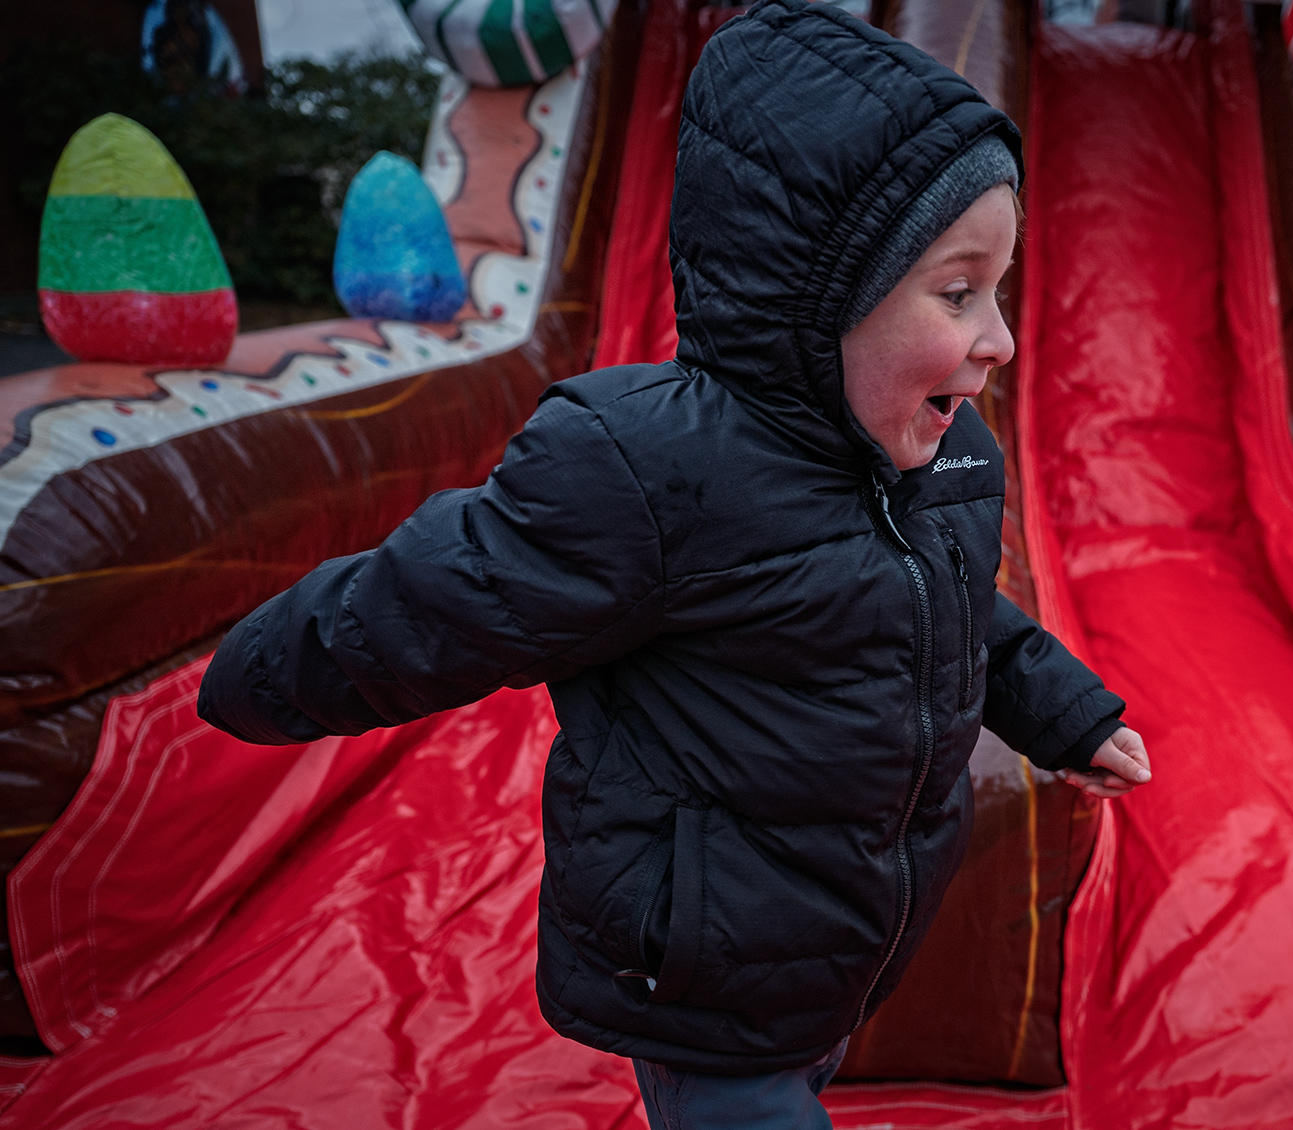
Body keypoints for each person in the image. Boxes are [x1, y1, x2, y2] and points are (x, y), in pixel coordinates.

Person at [196, 2, 1151, 1127]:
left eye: (999, 289)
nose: (998, 335)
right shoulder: (652, 470)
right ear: (822, 294)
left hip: (846, 930)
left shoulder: (943, 452)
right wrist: (259, 670)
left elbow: (957, 610)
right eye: (956, 292)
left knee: (807, 1063)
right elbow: (448, 593)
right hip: (700, 962)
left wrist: (1062, 710)